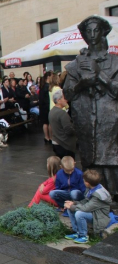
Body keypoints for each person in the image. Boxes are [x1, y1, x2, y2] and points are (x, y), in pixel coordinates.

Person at [64, 15, 118, 198]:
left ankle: (113, 196)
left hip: (110, 119)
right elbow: (68, 93)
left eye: (96, 30)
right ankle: (94, 196)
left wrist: (99, 74)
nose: (92, 34)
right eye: (89, 31)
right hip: (85, 119)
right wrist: (82, 84)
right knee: (90, 158)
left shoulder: (115, 61)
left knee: (111, 159)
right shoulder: (77, 63)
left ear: (103, 32)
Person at [64, 170, 111, 244]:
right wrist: (73, 203)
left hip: (99, 216)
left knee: (79, 214)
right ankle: (77, 231)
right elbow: (85, 201)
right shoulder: (91, 188)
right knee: (71, 209)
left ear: (87, 183)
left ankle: (84, 236)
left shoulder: (97, 196)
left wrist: (72, 207)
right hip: (93, 211)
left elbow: (85, 208)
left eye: (84, 180)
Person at [49, 90, 76, 159]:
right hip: (65, 145)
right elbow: (69, 130)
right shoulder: (62, 113)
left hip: (57, 142)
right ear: (59, 100)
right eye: (64, 98)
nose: (66, 100)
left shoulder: (51, 111)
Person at [39, 71, 53, 143]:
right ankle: (49, 137)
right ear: (48, 77)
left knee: (45, 122)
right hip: (47, 106)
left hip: (43, 106)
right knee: (47, 122)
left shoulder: (42, 86)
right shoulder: (47, 86)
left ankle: (46, 137)